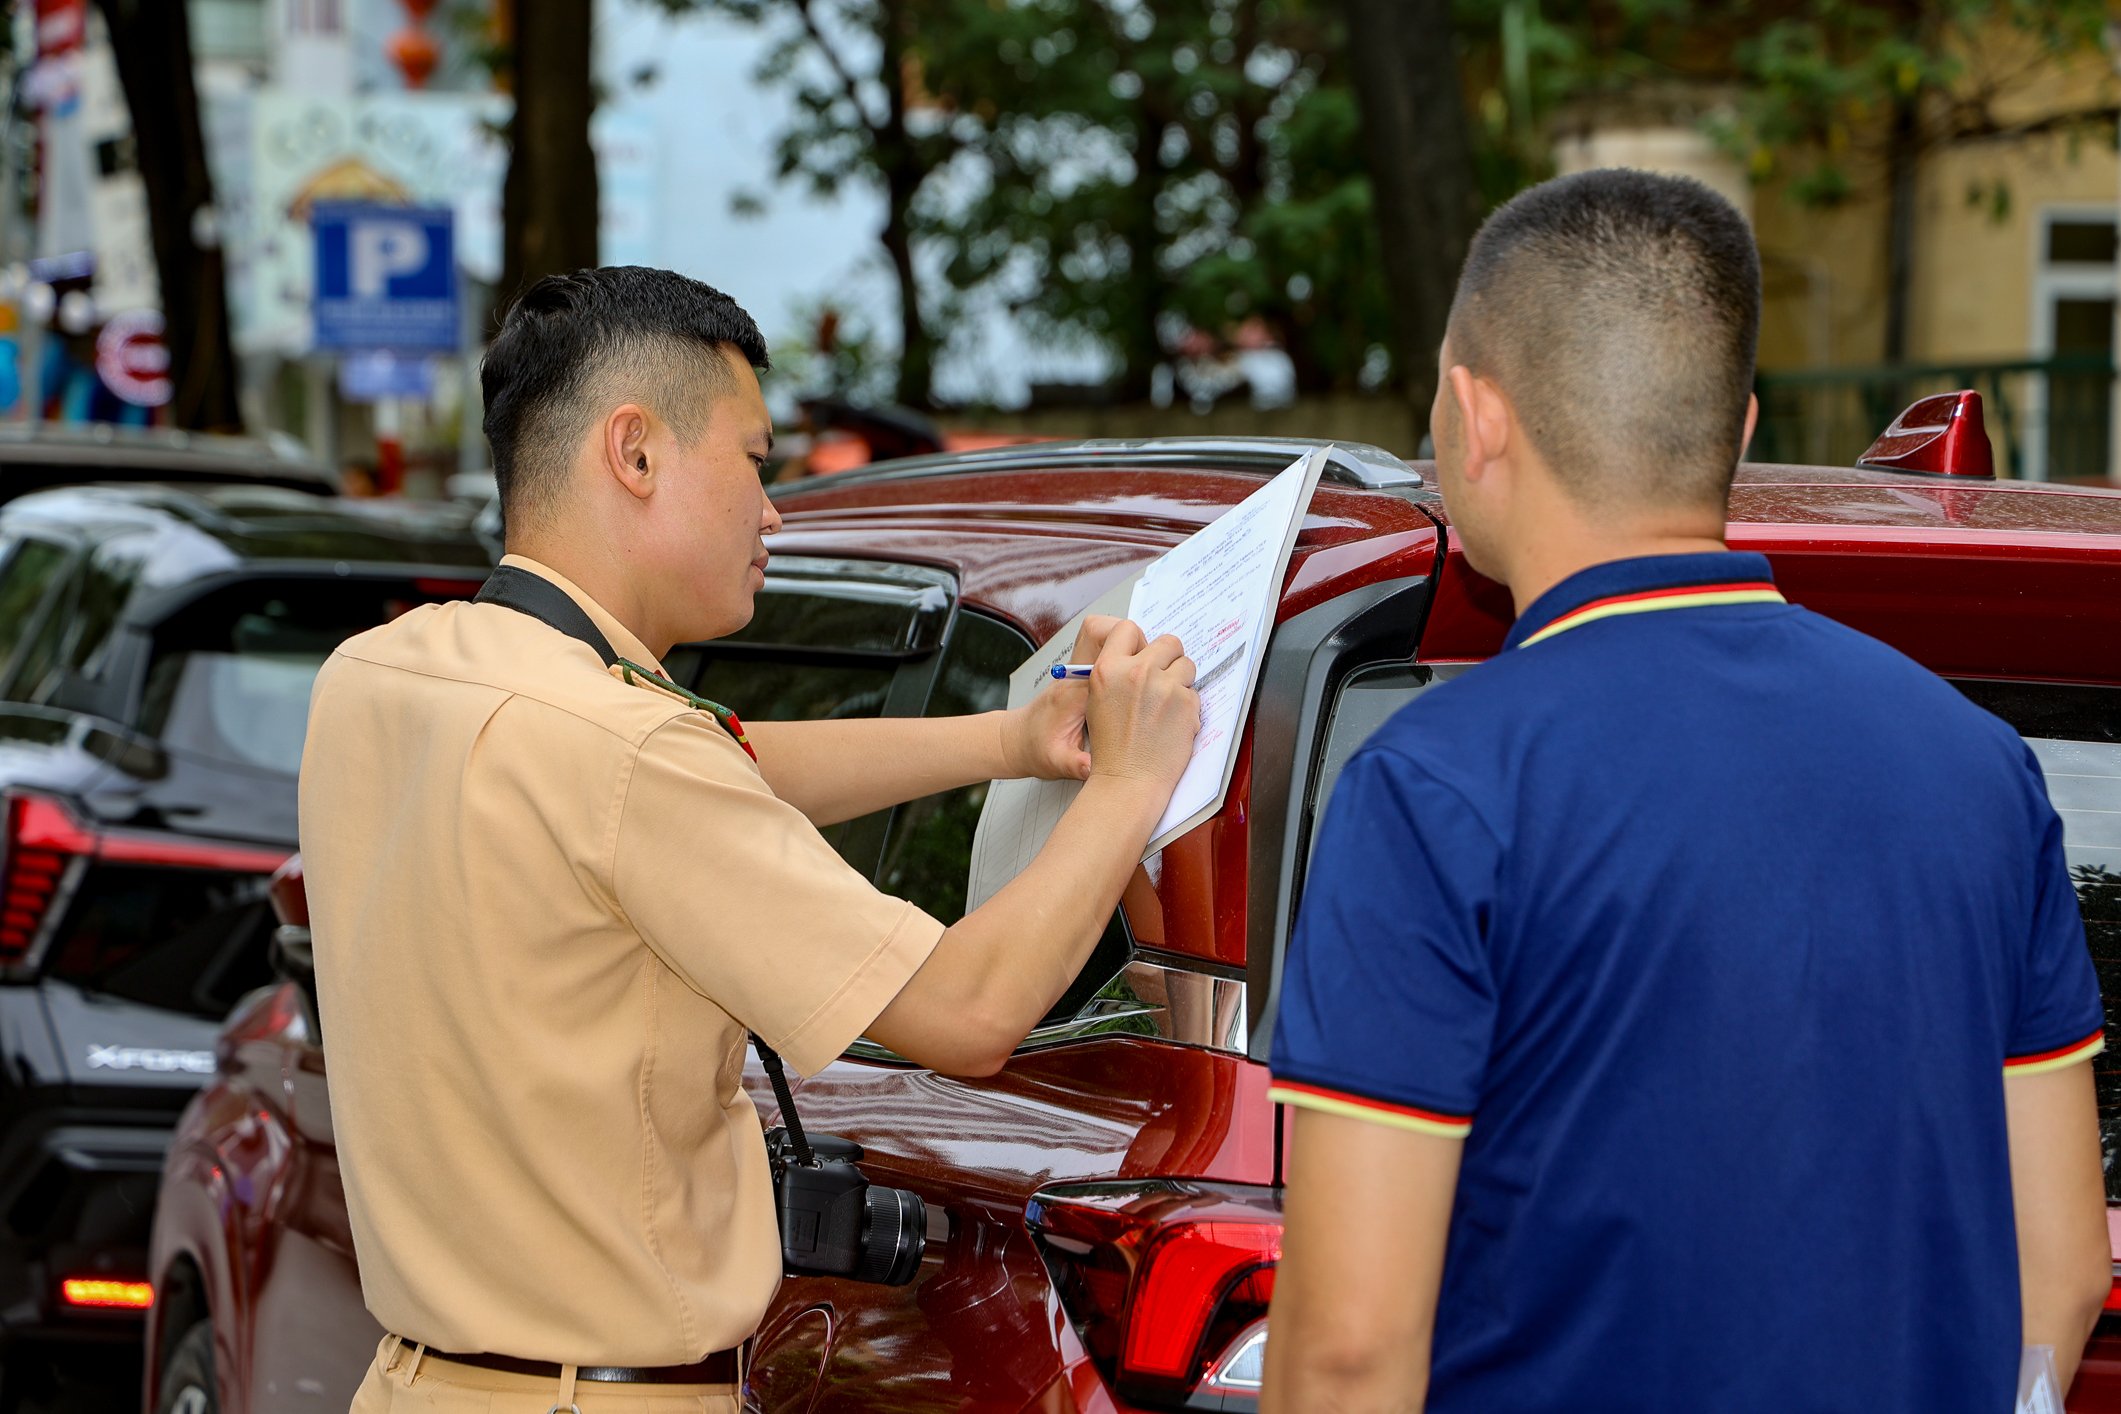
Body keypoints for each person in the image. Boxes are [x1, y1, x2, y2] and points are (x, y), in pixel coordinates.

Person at [1260, 170, 2109, 1412]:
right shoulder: (1977, 763)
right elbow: (2066, 1266)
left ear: (1474, 414)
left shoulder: (1435, 784)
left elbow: (1346, 1352)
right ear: (1742, 428)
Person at [298, 266, 1199, 1412]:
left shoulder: (386, 672)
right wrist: (1132, 782)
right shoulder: (626, 758)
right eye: (755, 463)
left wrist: (1014, 741)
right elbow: (970, 1012)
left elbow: (715, 765)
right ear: (634, 453)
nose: (772, 511)